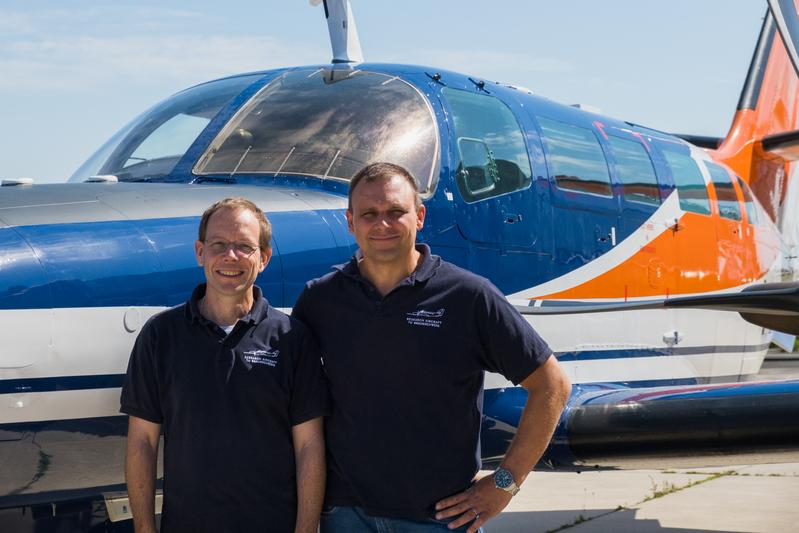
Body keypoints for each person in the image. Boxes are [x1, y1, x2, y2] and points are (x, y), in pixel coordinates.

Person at [292, 162, 572, 532]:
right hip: (344, 516)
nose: (382, 225)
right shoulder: (320, 299)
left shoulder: (469, 296)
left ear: (420, 216)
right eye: (369, 214)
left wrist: (505, 483)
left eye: (396, 212)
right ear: (350, 221)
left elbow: (552, 385)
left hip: (439, 519)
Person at [121, 197, 329, 533]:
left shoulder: (292, 338)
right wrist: (144, 528)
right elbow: (142, 441)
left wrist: (305, 529)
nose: (229, 256)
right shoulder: (160, 336)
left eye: (244, 246)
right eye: (218, 244)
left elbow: (309, 446)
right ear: (200, 252)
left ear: (263, 258)